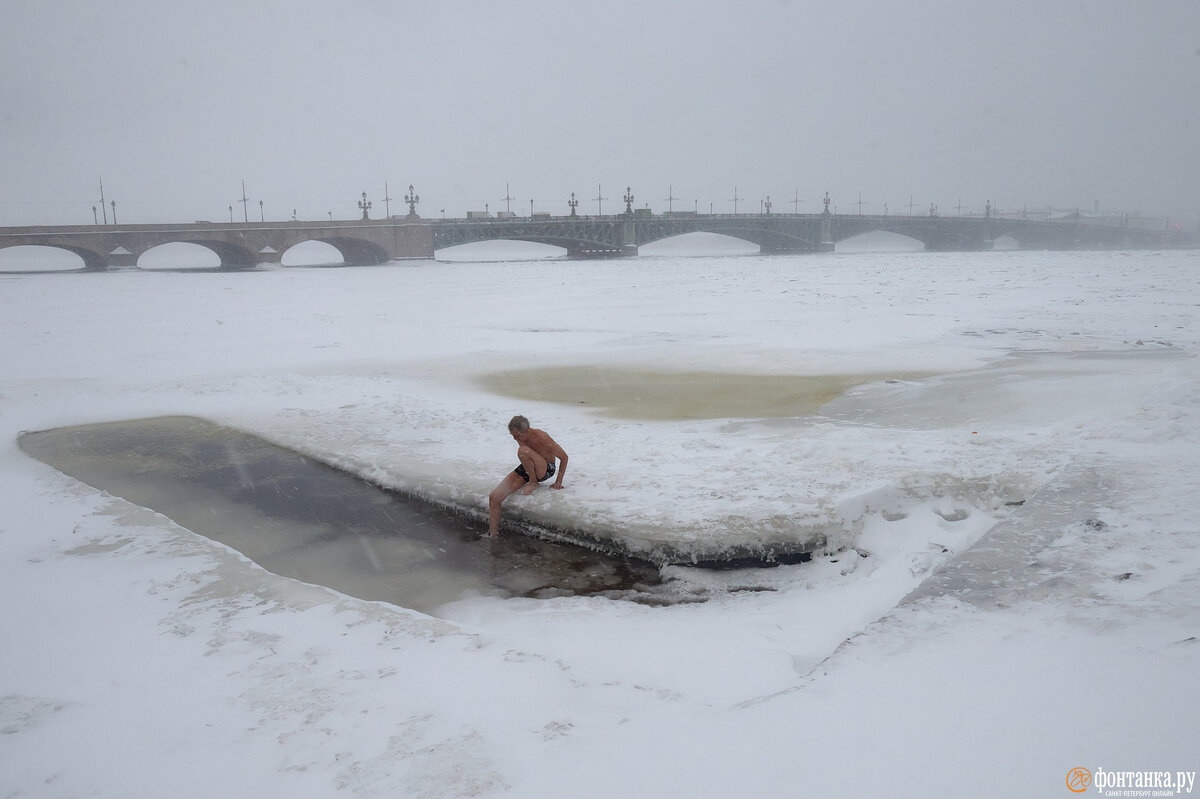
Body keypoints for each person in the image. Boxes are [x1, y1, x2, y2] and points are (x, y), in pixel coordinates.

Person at [487, 415, 568, 537]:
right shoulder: (520, 437)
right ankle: (492, 536)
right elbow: (527, 458)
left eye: (517, 436)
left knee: (522, 451)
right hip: (529, 467)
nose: (515, 439)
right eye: (512, 436)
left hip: (546, 469)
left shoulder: (542, 437)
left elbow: (564, 457)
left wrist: (558, 482)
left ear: (526, 431)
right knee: (494, 497)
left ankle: (533, 482)